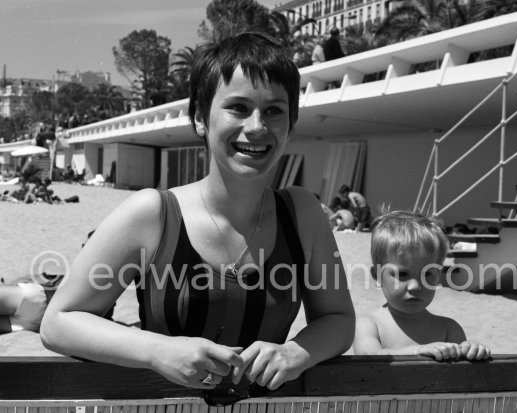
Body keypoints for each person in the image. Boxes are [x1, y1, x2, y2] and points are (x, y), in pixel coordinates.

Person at [41, 30, 355, 392]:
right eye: (238, 107)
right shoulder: (154, 215)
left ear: (291, 125)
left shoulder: (302, 214)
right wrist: (159, 351)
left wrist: (298, 353)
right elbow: (59, 322)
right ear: (201, 119)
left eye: (274, 111)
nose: (257, 127)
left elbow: (339, 318)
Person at [353, 210, 491, 360]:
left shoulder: (448, 329)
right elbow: (369, 355)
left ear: (438, 277)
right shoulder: (370, 324)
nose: (415, 286)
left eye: (427, 274)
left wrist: (471, 351)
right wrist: (417, 351)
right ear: (377, 275)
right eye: (403, 274)